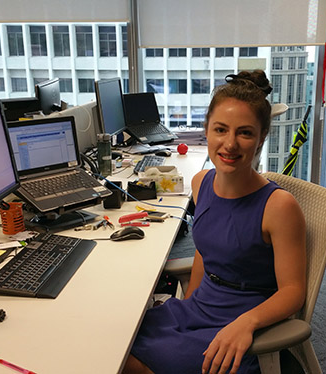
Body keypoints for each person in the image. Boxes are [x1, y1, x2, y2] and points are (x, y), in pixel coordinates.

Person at [123, 70, 306, 374]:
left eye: (245, 133)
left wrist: (247, 323)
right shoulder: (200, 183)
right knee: (114, 339)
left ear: (261, 138)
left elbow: (292, 291)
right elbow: (204, 252)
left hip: (245, 317)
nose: (230, 144)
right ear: (206, 130)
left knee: (127, 362)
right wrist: (189, 306)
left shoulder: (279, 206)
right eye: (221, 129)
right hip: (199, 306)